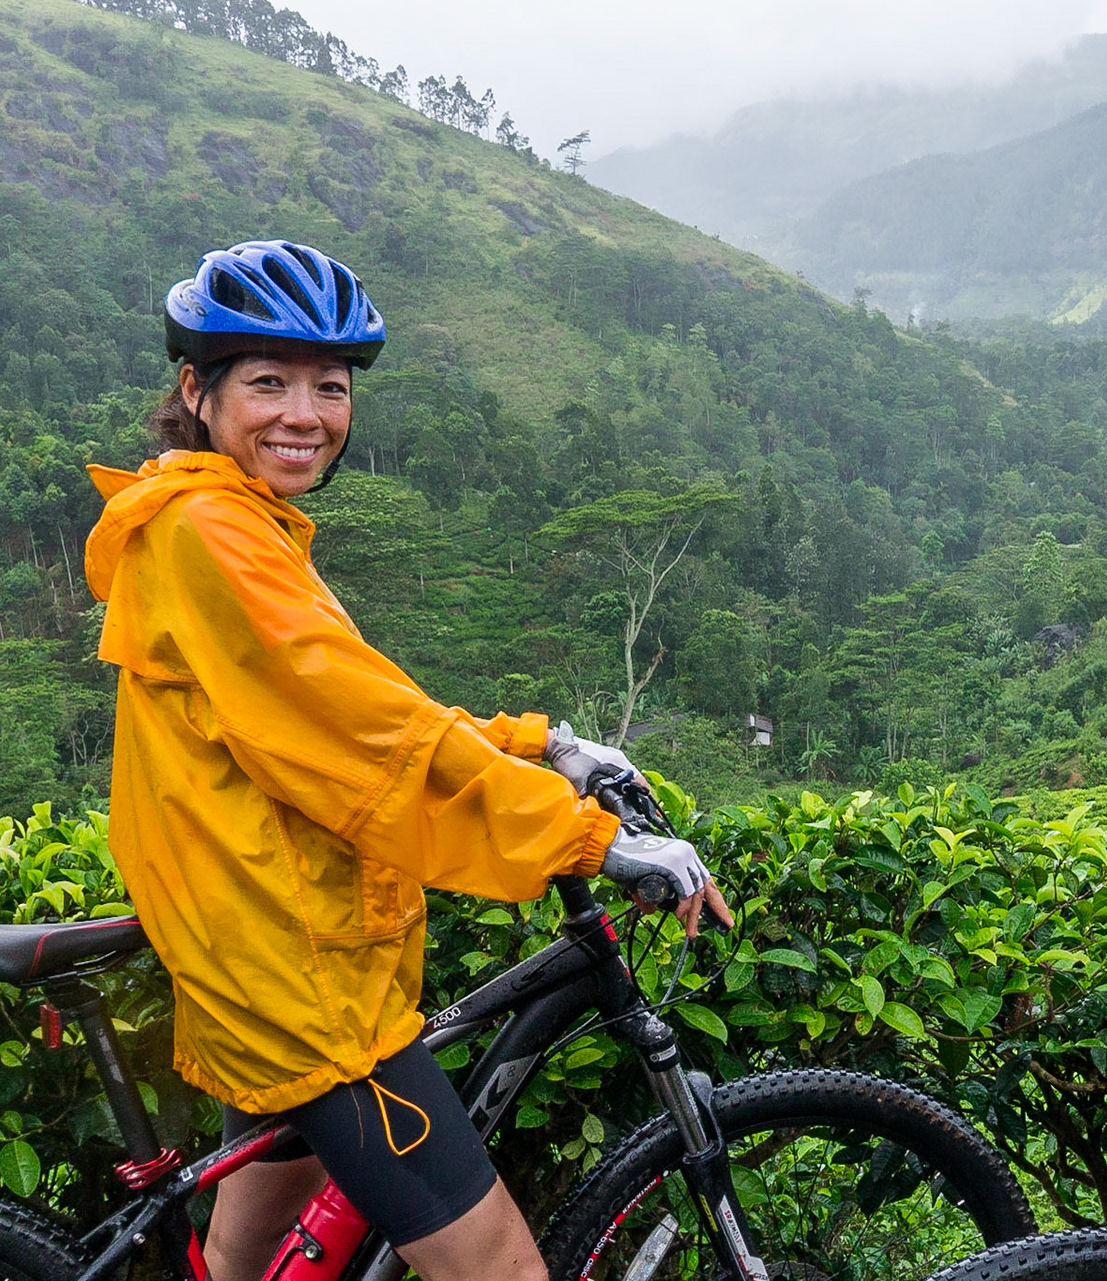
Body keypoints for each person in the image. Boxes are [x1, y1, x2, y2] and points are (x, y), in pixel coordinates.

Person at [83, 240, 734, 1281]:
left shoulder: (229, 522)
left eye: (329, 388)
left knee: (239, 1265)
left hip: (266, 950)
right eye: (269, 383)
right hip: (302, 985)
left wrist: (547, 747)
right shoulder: (208, 534)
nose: (305, 413)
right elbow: (365, 735)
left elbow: (354, 705)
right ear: (195, 391)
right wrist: (587, 839)